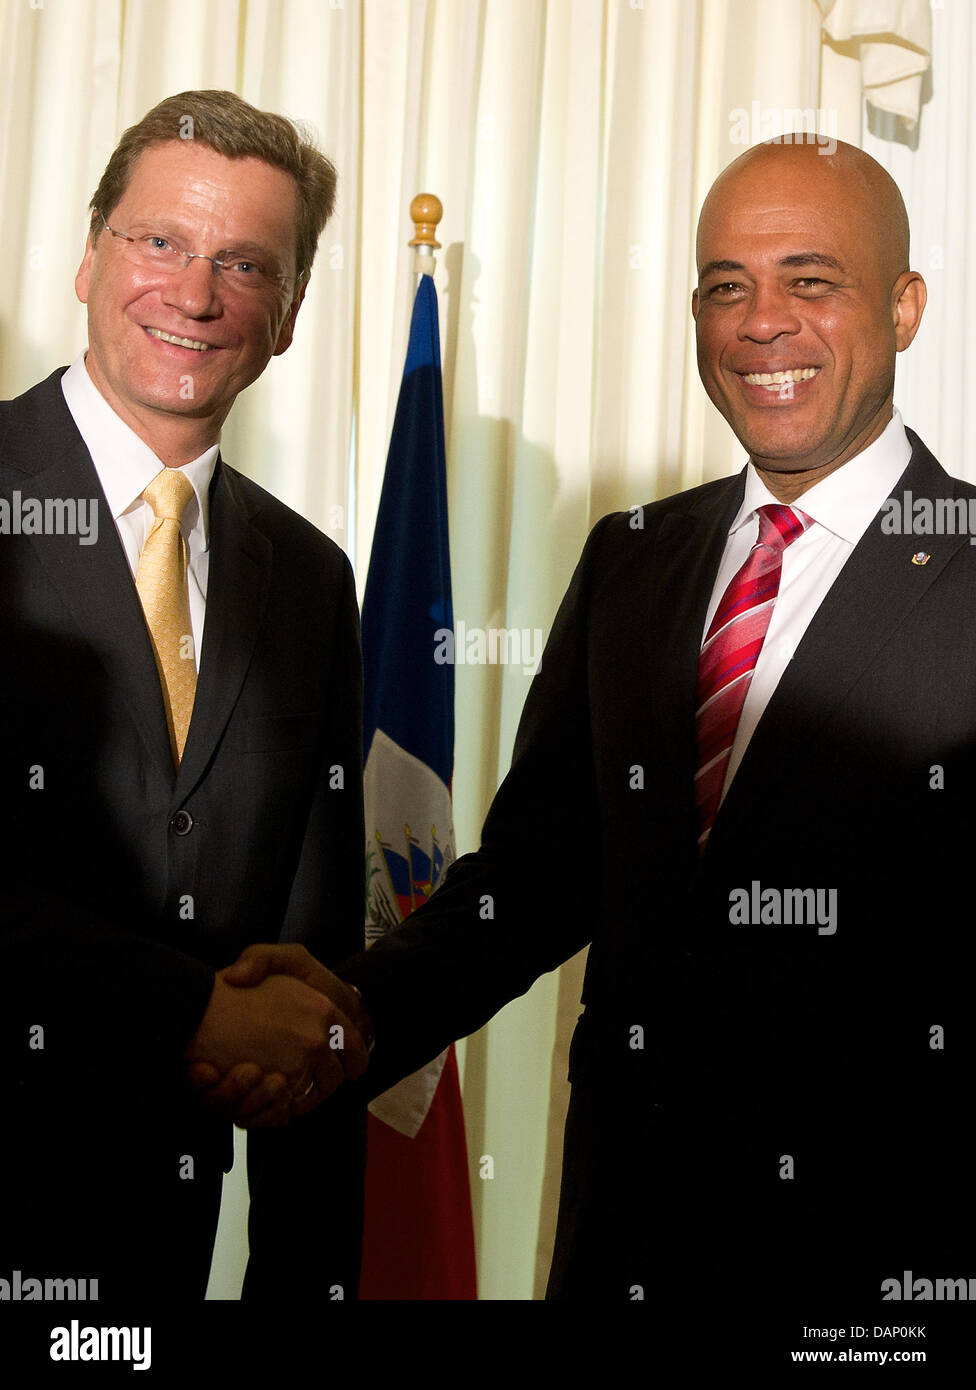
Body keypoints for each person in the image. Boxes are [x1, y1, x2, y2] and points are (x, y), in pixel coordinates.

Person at [201, 135, 975, 1318]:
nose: (761, 321)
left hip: (888, 1263)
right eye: (726, 285)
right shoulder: (633, 559)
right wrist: (348, 1023)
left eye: (809, 280)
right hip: (628, 1248)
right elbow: (534, 879)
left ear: (906, 306)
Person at [0, 90, 371, 1304]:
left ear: (289, 315)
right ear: (87, 254)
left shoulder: (310, 578)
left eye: (243, 262)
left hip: (160, 1255)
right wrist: (189, 1010)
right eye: (160, 241)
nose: (195, 293)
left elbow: (309, 965)